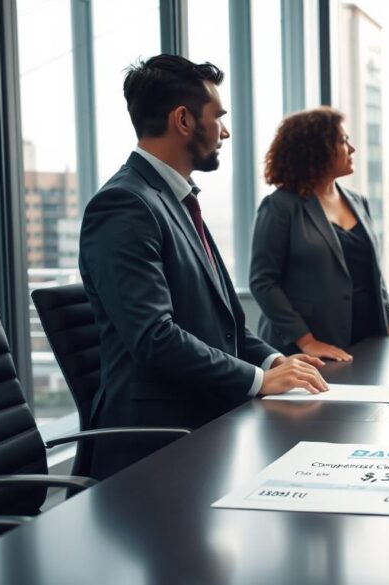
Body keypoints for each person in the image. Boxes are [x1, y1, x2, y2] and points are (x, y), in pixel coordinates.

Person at [79, 55, 328, 479]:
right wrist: (257, 380)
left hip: (204, 426)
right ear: (183, 120)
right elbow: (155, 337)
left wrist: (274, 363)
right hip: (155, 446)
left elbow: (225, 320)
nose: (225, 131)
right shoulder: (125, 204)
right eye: (218, 117)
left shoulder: (175, 199)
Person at [250, 108, 389, 361]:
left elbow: (374, 274)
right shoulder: (280, 206)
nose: (351, 149)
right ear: (315, 150)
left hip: (367, 338)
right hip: (305, 347)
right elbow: (263, 282)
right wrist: (307, 341)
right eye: (342, 141)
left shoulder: (358, 201)